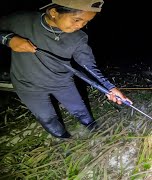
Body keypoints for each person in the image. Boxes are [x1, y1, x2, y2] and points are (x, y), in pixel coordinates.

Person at [0, 0, 132, 138]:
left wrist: (109, 88)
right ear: (53, 13)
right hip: (27, 85)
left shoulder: (78, 37)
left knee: (80, 111)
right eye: (77, 19)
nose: (80, 25)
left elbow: (88, 65)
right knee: (47, 118)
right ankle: (64, 139)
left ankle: (96, 132)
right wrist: (8, 39)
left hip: (62, 83)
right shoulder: (21, 20)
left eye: (86, 22)